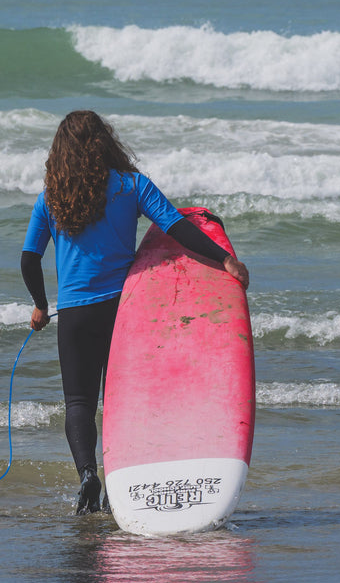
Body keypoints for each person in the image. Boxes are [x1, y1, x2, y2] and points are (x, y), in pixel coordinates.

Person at [21, 110, 250, 515]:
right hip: (122, 311)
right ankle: (119, 485)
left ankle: (87, 475)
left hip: (74, 314)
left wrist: (40, 306)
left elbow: (28, 259)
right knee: (119, 402)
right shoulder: (130, 186)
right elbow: (176, 226)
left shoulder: (50, 199)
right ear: (104, 144)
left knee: (78, 401)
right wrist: (223, 260)